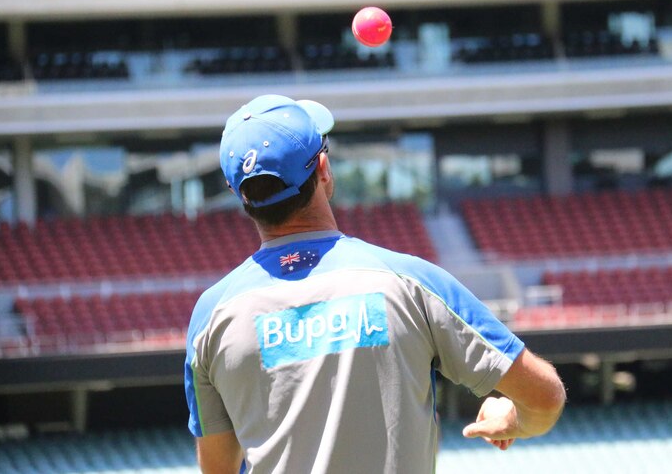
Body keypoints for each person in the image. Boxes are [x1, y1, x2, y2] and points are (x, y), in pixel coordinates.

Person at [183, 94, 566, 474]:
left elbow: (218, 468)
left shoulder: (211, 316)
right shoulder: (411, 283)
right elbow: (546, 398)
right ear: (323, 168)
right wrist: (514, 418)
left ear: (240, 195)